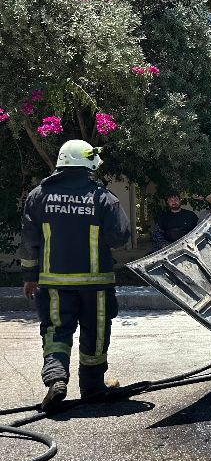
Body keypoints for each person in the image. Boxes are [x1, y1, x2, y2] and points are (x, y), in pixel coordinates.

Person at [18, 139, 131, 410]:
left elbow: (29, 240)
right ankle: (92, 387)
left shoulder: (39, 195)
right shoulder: (102, 197)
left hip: (54, 283)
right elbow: (120, 237)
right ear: (87, 161)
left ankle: (56, 376)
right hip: (96, 285)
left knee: (56, 330)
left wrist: (29, 276)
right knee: (95, 332)